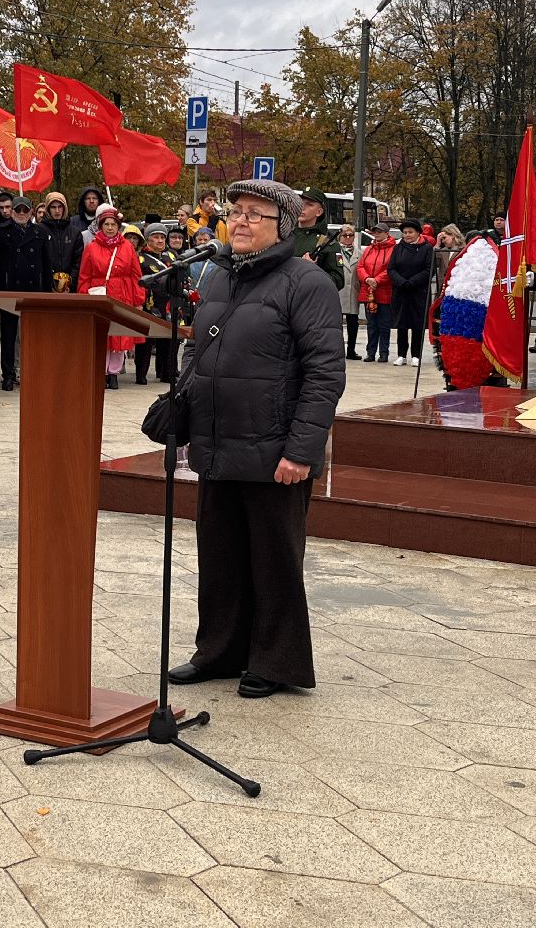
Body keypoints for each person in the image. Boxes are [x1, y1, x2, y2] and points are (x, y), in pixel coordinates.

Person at [168, 178, 344, 697]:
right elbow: (201, 355)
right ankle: (220, 651)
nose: (240, 221)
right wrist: (182, 410)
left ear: (282, 226)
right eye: (236, 211)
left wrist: (301, 450)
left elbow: (325, 374)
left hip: (274, 449)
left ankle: (276, 661)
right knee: (218, 555)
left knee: (273, 559)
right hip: (219, 442)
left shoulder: (305, 283)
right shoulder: (220, 277)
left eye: (254, 214)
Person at [0, 195, 52, 391]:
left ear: (31, 212)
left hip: (33, 291)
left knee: (31, 335)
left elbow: (46, 265)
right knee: (8, 335)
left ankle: (30, 371)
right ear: (11, 212)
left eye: (25, 210)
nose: (21, 214)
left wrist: (46, 291)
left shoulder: (39, 233)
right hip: (8, 290)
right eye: (17, 210)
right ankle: (8, 374)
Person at [78, 206, 145, 389]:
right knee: (101, 334)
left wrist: (138, 300)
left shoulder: (127, 248)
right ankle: (101, 371)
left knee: (118, 334)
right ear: (100, 226)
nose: (109, 228)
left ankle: (113, 373)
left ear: (118, 226)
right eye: (106, 224)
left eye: (113, 224)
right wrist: (84, 300)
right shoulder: (91, 248)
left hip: (122, 294)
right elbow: (85, 276)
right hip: (99, 294)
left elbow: (136, 276)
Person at [389, 219, 433, 367]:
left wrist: (412, 282)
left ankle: (416, 355)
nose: (407, 235)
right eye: (405, 232)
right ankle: (401, 354)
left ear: (418, 233)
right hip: (401, 291)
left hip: (418, 291)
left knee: (417, 324)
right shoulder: (398, 248)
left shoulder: (427, 248)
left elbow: (429, 270)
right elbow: (391, 268)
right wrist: (401, 281)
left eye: (410, 232)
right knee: (401, 324)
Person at [135, 222, 173, 384]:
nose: (160, 241)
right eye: (155, 237)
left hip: (168, 304)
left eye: (162, 237)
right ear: (148, 239)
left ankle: (165, 373)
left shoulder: (171, 256)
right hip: (149, 304)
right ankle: (141, 374)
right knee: (145, 342)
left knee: (169, 339)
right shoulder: (141, 258)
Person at [357, 222, 396, 363]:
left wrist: (377, 280)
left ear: (387, 233)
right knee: (371, 324)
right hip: (369, 292)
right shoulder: (369, 249)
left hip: (385, 291)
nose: (377, 234)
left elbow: (391, 268)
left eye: (380, 231)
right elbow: (360, 266)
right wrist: (367, 279)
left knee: (384, 324)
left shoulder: (393, 249)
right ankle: (371, 352)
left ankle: (384, 353)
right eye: (375, 231)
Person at [293, 186, 343, 291]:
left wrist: (314, 271)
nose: (303, 207)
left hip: (306, 300)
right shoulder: (284, 235)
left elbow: (338, 281)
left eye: (309, 204)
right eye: (301, 203)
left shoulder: (327, 243)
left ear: (319, 212)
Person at [41, 191, 83, 292]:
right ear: (48, 209)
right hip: (45, 288)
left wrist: (70, 284)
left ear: (64, 208)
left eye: (60, 207)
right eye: (53, 207)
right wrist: (49, 284)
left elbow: (78, 262)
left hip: (70, 288)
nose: (57, 210)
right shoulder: (39, 230)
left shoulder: (74, 232)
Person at [337, 224, 361, 359]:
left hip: (353, 292)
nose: (347, 238)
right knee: (337, 324)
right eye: (344, 235)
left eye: (350, 235)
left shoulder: (359, 253)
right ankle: (338, 350)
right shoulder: (334, 251)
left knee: (353, 324)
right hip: (338, 292)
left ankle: (351, 350)